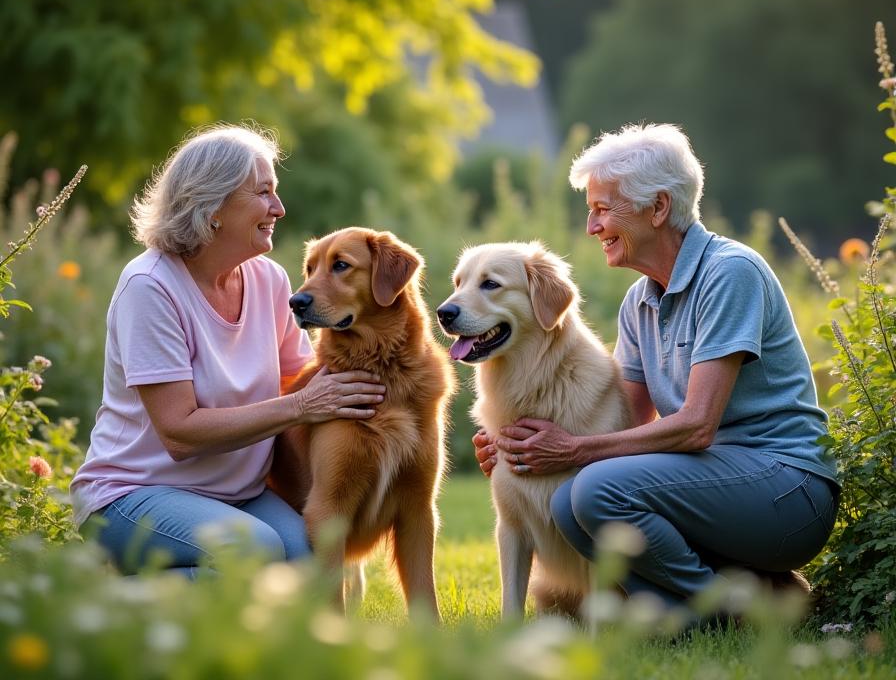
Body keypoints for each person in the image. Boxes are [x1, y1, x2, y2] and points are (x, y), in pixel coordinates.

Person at [473, 123, 839, 608]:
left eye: (603, 210)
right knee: (568, 501)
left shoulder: (730, 273)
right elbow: (623, 419)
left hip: (786, 489)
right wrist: (520, 448)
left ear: (659, 207)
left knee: (593, 490)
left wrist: (572, 451)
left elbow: (695, 427)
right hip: (711, 483)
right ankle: (726, 604)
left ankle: (732, 610)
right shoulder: (639, 301)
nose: (591, 227)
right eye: (590, 211)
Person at [70, 123, 385, 577]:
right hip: (130, 495)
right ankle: (115, 603)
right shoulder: (150, 287)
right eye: (263, 192)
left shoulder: (269, 279)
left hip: (235, 495)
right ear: (212, 204)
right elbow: (179, 432)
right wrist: (300, 406)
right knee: (255, 550)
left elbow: (307, 379)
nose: (278, 208)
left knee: (309, 561)